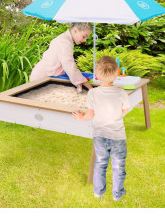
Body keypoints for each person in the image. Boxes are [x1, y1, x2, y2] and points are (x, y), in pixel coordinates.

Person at [72, 56, 130, 201]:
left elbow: (89, 115)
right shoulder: (122, 93)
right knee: (118, 166)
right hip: (117, 136)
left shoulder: (93, 93)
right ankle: (117, 194)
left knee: (100, 163)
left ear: (96, 76)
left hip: (100, 136)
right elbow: (124, 111)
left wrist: (80, 117)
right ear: (116, 74)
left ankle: (98, 192)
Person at [30, 22, 93, 92]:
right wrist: (90, 87)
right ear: (75, 30)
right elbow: (69, 66)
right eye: (84, 36)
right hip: (41, 77)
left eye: (86, 38)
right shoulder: (65, 42)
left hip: (44, 74)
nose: (85, 40)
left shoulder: (65, 38)